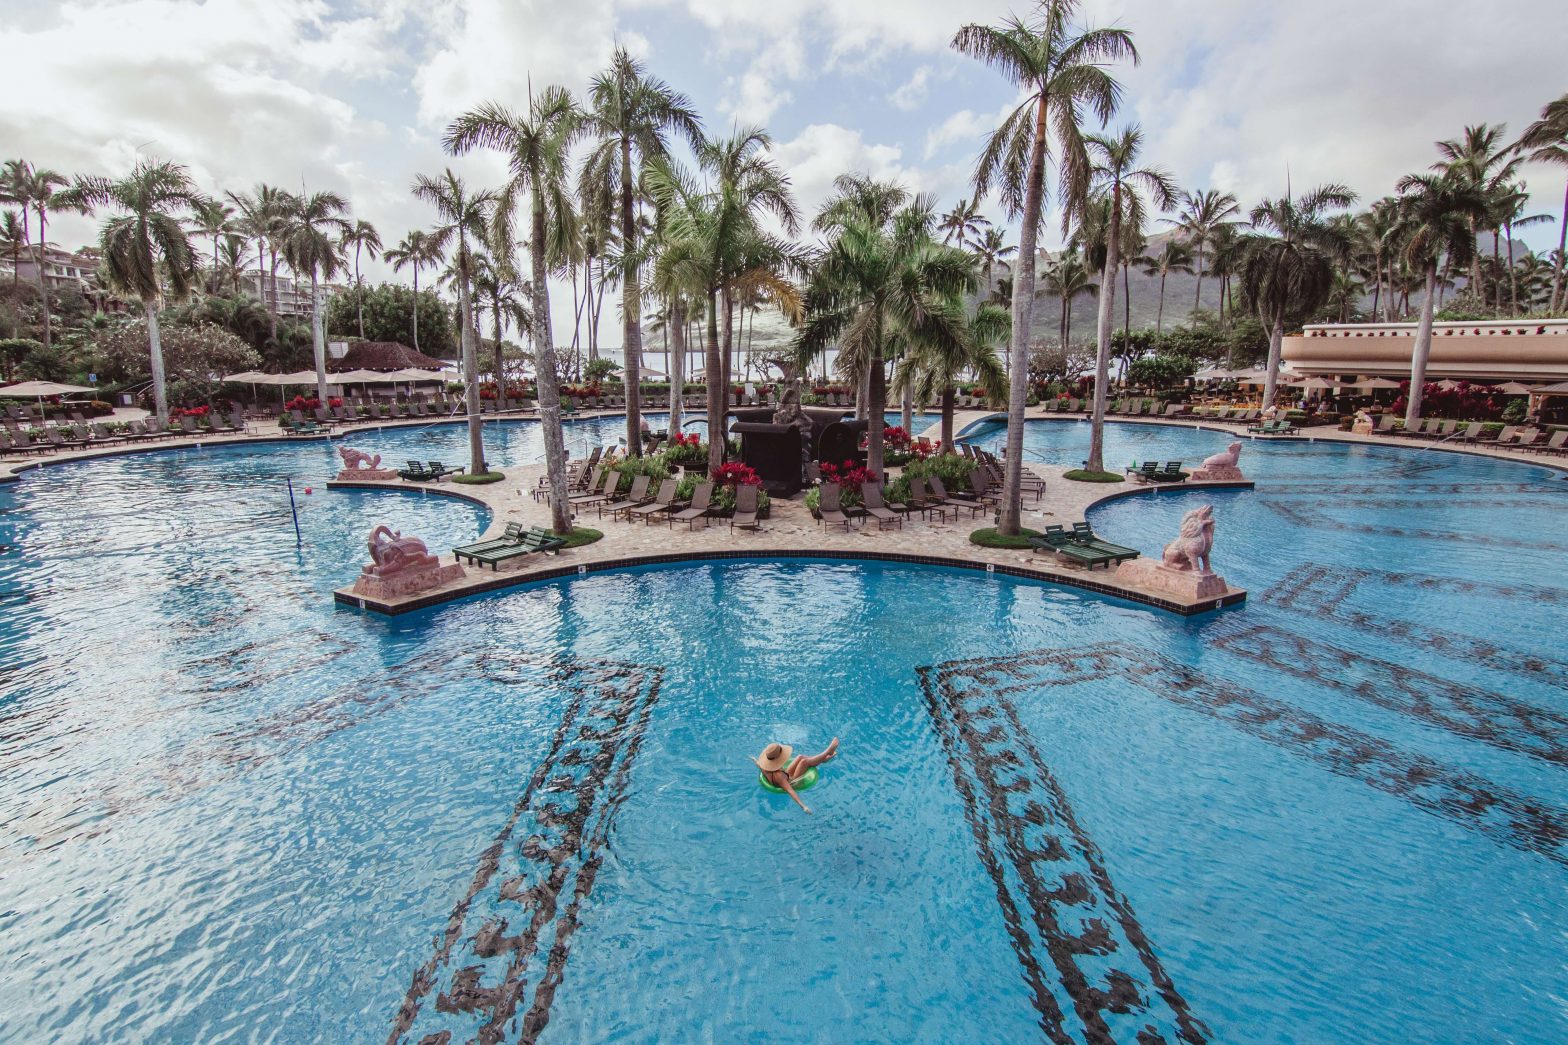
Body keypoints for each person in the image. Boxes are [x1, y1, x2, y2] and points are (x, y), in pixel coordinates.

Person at [754, 738, 838, 814]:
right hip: (792, 781)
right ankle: (827, 752)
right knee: (804, 762)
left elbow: (758, 764)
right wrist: (804, 806)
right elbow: (790, 791)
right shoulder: (779, 776)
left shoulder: (764, 768)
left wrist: (754, 759)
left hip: (786, 775)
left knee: (800, 757)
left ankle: (823, 759)